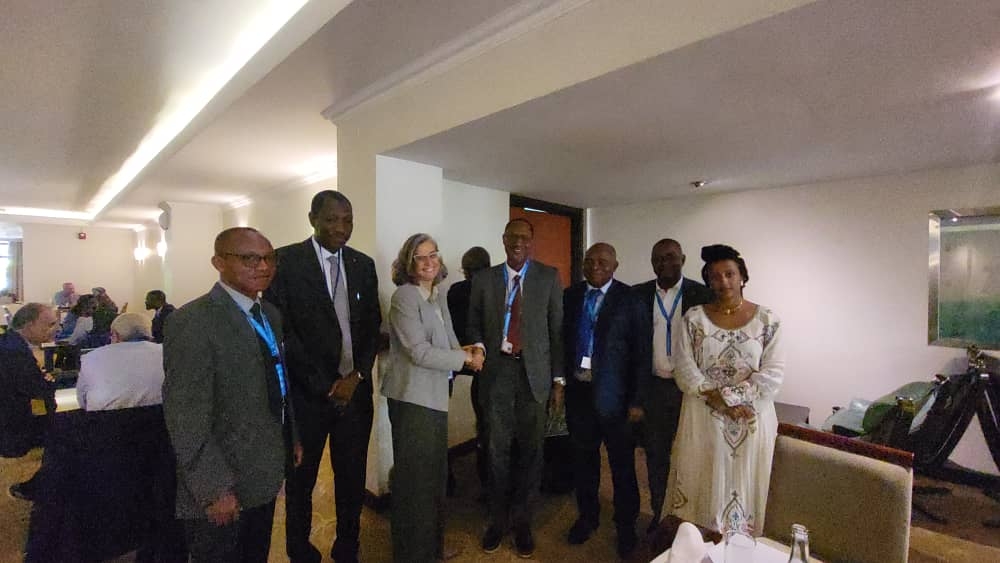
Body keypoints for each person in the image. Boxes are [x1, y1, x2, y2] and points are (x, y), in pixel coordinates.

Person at [162, 227, 301, 562]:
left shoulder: (269, 314)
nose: (263, 266)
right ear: (218, 262)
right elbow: (185, 413)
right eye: (249, 258)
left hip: (264, 468)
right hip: (223, 479)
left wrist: (290, 436)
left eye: (269, 258)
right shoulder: (193, 321)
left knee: (256, 553)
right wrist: (214, 488)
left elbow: (278, 380)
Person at [264, 190, 381, 563]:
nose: (341, 227)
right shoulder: (286, 261)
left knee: (350, 479)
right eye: (332, 219)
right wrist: (323, 384)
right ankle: (300, 550)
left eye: (347, 219)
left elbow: (372, 327)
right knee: (301, 482)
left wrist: (358, 374)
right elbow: (283, 332)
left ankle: (348, 547)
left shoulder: (363, 264)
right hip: (307, 396)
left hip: (356, 392)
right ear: (312, 217)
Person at [667, 244, 785, 535]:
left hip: (750, 417)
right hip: (703, 417)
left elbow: (773, 374)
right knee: (702, 485)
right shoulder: (693, 319)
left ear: (742, 277)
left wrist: (732, 399)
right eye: (715, 276)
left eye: (730, 274)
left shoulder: (768, 320)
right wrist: (718, 399)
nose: (723, 282)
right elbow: (683, 369)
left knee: (745, 486)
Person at [382, 233, 483, 563]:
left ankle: (433, 549)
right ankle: (412, 555)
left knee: (436, 479)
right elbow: (419, 352)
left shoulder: (437, 296)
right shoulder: (405, 298)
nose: (429, 262)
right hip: (412, 400)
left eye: (434, 255)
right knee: (415, 485)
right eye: (420, 257)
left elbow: (449, 343)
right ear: (408, 263)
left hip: (436, 396)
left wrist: (470, 349)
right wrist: (465, 359)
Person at [467, 218, 564, 558]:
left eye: (524, 236)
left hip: (534, 378)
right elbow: (473, 323)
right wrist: (478, 345)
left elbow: (557, 332)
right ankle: (496, 519)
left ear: (531, 241)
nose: (518, 241)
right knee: (495, 451)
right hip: (496, 375)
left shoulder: (549, 278)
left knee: (531, 453)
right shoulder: (484, 279)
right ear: (503, 240)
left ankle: (522, 522)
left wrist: (558, 380)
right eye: (512, 236)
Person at [562, 243, 641, 558]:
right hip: (579, 393)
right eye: (590, 260)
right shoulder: (570, 296)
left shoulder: (630, 299)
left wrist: (636, 400)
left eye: (604, 261)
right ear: (583, 264)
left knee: (622, 466)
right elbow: (561, 341)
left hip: (617, 400)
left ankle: (626, 527)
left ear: (615, 265)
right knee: (583, 462)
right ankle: (588, 516)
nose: (596, 266)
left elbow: (640, 353)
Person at [632, 238, 712, 533]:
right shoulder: (637, 295)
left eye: (671, 257)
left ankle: (693, 520)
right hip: (654, 388)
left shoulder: (702, 295)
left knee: (693, 454)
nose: (664, 263)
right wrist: (636, 398)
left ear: (683, 259)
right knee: (656, 455)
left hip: (690, 391)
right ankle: (660, 515)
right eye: (657, 259)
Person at [0, 303, 58, 501]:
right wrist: (48, 382)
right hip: (12, 425)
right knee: (67, 431)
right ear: (29, 324)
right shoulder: (15, 352)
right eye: (48, 325)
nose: (53, 330)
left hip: (12, 414)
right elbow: (36, 389)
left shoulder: (10, 343)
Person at [446, 246, 491, 493]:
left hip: (464, 358)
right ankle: (486, 483)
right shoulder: (493, 291)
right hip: (475, 359)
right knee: (485, 424)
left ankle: (451, 478)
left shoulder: (457, 290)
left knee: (482, 423)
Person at [76, 312, 164, 411]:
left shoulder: (91, 358)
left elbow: (82, 401)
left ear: (116, 335)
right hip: (159, 421)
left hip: (104, 422)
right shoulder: (166, 352)